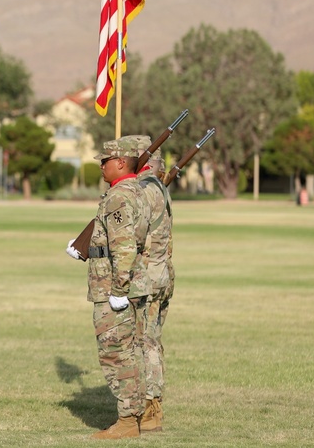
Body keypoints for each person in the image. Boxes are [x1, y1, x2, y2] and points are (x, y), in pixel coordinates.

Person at [67, 136, 150, 439]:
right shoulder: (134, 192)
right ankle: (133, 415)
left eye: (104, 161)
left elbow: (124, 247)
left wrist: (118, 290)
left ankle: (127, 421)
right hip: (125, 284)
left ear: (120, 163)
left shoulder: (118, 197)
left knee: (114, 353)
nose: (101, 166)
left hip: (114, 288)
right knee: (129, 351)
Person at [132, 136, 174, 433]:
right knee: (153, 340)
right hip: (163, 274)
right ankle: (151, 402)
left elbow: (134, 233)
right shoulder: (158, 187)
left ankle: (150, 408)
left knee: (144, 343)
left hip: (147, 276)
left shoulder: (144, 189)